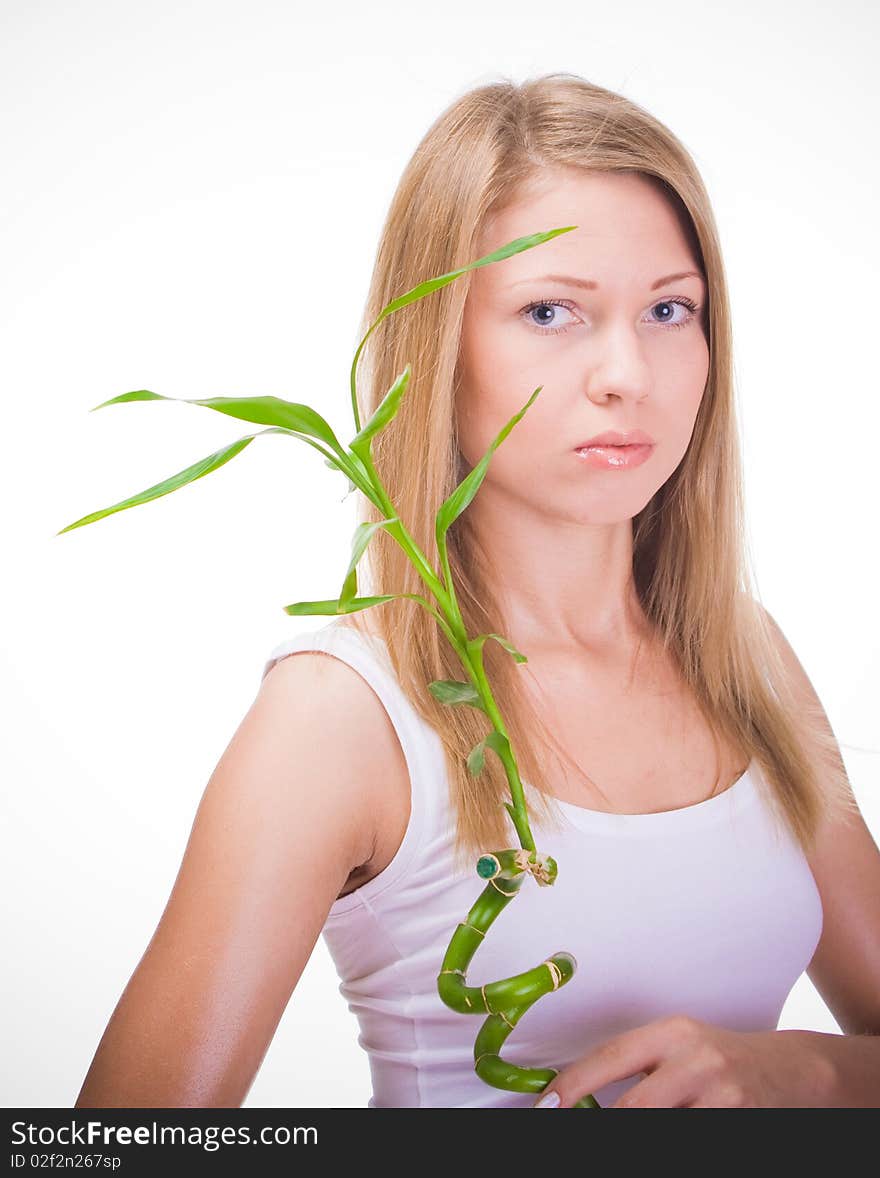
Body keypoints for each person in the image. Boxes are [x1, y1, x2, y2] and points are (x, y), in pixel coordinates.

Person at [74, 72, 880, 1109]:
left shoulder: (743, 657)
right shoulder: (344, 717)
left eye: (669, 309)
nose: (626, 372)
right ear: (436, 346)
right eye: (550, 310)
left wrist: (806, 1070)